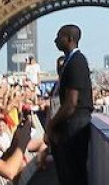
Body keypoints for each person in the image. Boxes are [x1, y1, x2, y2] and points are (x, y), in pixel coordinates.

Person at [45, 24, 92, 185]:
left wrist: (51, 124)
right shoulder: (72, 62)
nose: (55, 40)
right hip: (74, 124)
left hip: (74, 126)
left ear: (70, 39)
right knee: (72, 174)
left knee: (72, 174)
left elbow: (71, 103)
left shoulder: (76, 62)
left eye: (59, 37)